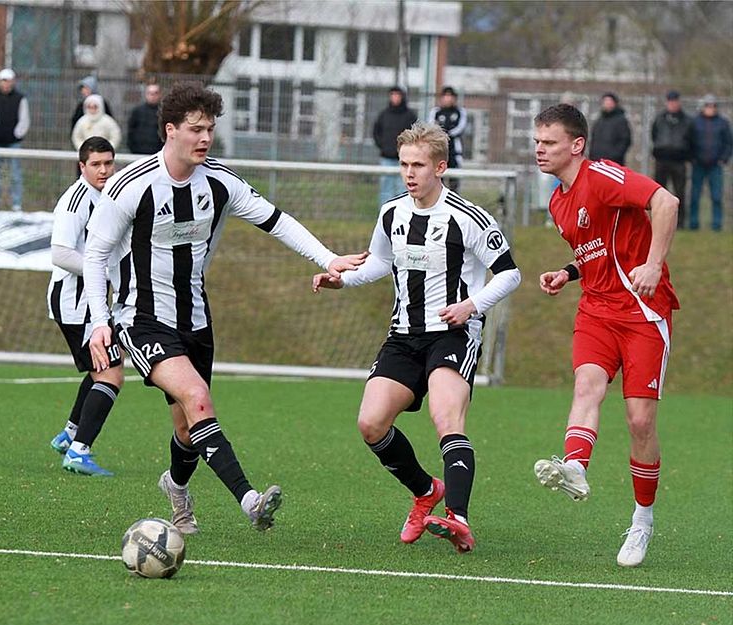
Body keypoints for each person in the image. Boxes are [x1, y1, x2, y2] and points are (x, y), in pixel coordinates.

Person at [83, 81, 367, 533]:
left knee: (186, 429)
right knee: (198, 398)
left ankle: (175, 487)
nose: (205, 138)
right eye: (195, 129)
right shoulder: (131, 186)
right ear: (170, 130)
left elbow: (277, 221)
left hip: (196, 319)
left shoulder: (219, 181)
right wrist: (100, 322)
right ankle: (251, 501)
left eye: (210, 128)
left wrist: (328, 258)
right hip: (142, 319)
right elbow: (95, 255)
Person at [313, 122, 521, 554]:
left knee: (446, 418)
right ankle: (426, 490)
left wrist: (472, 306)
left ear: (440, 167)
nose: (409, 173)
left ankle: (458, 519)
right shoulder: (391, 213)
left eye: (418, 165)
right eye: (405, 164)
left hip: (452, 334)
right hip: (403, 335)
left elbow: (510, 273)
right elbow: (379, 264)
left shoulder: (469, 218)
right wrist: (342, 281)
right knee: (370, 423)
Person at [532, 103, 680, 568]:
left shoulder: (604, 176)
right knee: (587, 385)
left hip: (642, 313)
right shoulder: (557, 200)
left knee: (640, 422)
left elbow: (666, 203)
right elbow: (598, 249)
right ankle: (575, 466)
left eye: (548, 142)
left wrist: (654, 264)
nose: (539, 150)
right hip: (596, 311)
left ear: (576, 146)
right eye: (536, 142)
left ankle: (642, 520)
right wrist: (568, 271)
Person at [47, 137, 122, 476]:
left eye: (108, 163)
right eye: (96, 164)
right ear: (82, 167)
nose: (104, 170)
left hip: (90, 301)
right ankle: (79, 451)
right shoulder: (75, 201)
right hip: (74, 302)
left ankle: (70, 435)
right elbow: (60, 253)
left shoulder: (107, 196)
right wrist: (104, 271)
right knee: (110, 373)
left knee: (99, 370)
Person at [651, 90, 694, 228]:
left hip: (679, 161)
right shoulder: (660, 118)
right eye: (670, 101)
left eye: (675, 101)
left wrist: (685, 154)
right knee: (658, 192)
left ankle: (680, 223)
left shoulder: (687, 120)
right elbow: (654, 135)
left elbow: (691, 140)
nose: (672, 104)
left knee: (679, 192)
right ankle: (658, 221)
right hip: (662, 160)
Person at [689, 94, 732, 232]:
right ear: (703, 107)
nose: (710, 108)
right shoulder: (695, 122)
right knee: (695, 196)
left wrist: (723, 158)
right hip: (698, 164)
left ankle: (717, 225)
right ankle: (693, 224)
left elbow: (728, 143)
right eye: (708, 105)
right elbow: (689, 141)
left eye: (713, 105)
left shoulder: (723, 123)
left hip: (715, 165)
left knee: (716, 196)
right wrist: (693, 157)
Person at [0, 68, 30, 211]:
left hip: (13, 143)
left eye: (8, 81)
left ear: (13, 82)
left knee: (15, 174)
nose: (6, 84)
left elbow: (24, 120)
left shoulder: (20, 98)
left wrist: (16, 135)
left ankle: (16, 203)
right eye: (3, 81)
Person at [373, 86, 418, 205]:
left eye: (398, 95)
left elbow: (416, 134)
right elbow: (376, 132)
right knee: (385, 188)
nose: (395, 98)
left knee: (403, 187)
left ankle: (405, 212)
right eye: (393, 95)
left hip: (404, 160)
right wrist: (383, 146)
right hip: (386, 157)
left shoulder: (409, 115)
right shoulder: (384, 114)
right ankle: (385, 214)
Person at [428, 86, 468, 192]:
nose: (448, 99)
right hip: (439, 150)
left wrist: (446, 134)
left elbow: (460, 128)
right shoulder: (436, 112)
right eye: (445, 96)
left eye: (450, 96)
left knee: (454, 183)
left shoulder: (460, 112)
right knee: (438, 181)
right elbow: (432, 127)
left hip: (454, 152)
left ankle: (454, 205)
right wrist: (440, 135)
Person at [588, 92, 631, 165]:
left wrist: (615, 156)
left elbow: (625, 140)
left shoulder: (621, 120)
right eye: (605, 101)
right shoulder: (599, 120)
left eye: (609, 101)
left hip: (614, 162)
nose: (607, 104)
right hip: (597, 161)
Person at [127, 83, 163, 154]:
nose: (153, 96)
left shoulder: (164, 112)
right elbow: (131, 131)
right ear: (146, 95)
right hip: (138, 151)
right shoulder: (137, 111)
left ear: (160, 95)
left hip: (158, 152)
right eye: (150, 93)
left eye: (156, 93)